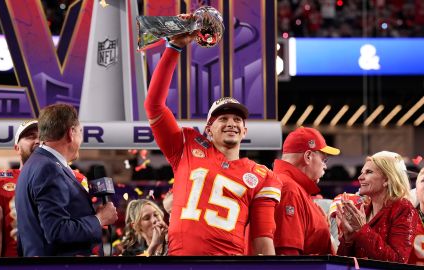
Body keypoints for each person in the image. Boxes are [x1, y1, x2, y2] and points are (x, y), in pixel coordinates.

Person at [144, 20, 282, 255]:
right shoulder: (185, 147)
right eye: (223, 119)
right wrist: (174, 47)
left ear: (245, 131)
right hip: (179, 262)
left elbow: (263, 239)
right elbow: (154, 105)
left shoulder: (262, 176)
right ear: (208, 129)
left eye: (238, 120)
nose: (232, 123)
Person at [15, 103, 118, 256]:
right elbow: (56, 230)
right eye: (81, 132)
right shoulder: (48, 168)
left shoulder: (36, 164)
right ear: (71, 132)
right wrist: (99, 219)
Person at [336, 151, 423, 264]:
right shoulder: (363, 210)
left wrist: (362, 229)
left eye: (368, 172)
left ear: (386, 179)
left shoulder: (404, 209)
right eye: (362, 172)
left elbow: (397, 261)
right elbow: (341, 263)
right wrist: (347, 240)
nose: (360, 177)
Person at [273, 126, 340, 255]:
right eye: (323, 159)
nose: (325, 166)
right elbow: (287, 256)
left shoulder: (297, 188)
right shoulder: (289, 189)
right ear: (308, 156)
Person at [0, 120, 39, 257]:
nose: (38, 141)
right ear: (17, 148)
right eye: (31, 136)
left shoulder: (69, 180)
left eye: (43, 137)